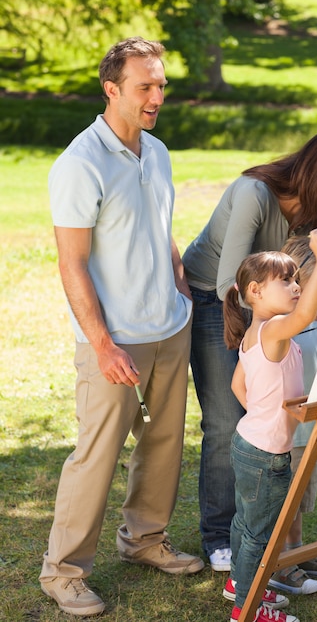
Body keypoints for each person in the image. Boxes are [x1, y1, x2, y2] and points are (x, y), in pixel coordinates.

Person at [39, 36, 204, 618]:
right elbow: (72, 263)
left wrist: (180, 283)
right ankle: (63, 572)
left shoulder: (156, 151)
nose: (157, 95)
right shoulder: (80, 163)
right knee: (98, 453)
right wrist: (103, 344)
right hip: (114, 338)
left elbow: (160, 229)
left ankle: (145, 541)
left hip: (168, 325)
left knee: (162, 446)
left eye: (161, 84)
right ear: (113, 90)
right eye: (145, 86)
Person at [182, 127, 317, 572]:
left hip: (275, 311)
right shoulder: (254, 192)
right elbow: (231, 279)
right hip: (220, 298)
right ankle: (219, 537)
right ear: (315, 168)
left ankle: (274, 540)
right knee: (228, 417)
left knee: (276, 417)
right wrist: (285, 322)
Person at [221, 233, 317, 622]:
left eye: (297, 280)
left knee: (245, 523)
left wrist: (265, 415)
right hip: (266, 455)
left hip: (250, 442)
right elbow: (303, 317)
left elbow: (239, 384)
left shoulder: (257, 332)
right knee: (260, 534)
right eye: (286, 281)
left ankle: (238, 583)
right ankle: (248, 611)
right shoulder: (273, 330)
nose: (297, 286)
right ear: (255, 291)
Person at [268, 235, 317, 596]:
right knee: (288, 500)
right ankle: (282, 562)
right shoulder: (286, 324)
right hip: (288, 431)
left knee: (301, 497)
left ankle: (296, 553)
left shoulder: (314, 322)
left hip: (312, 425)